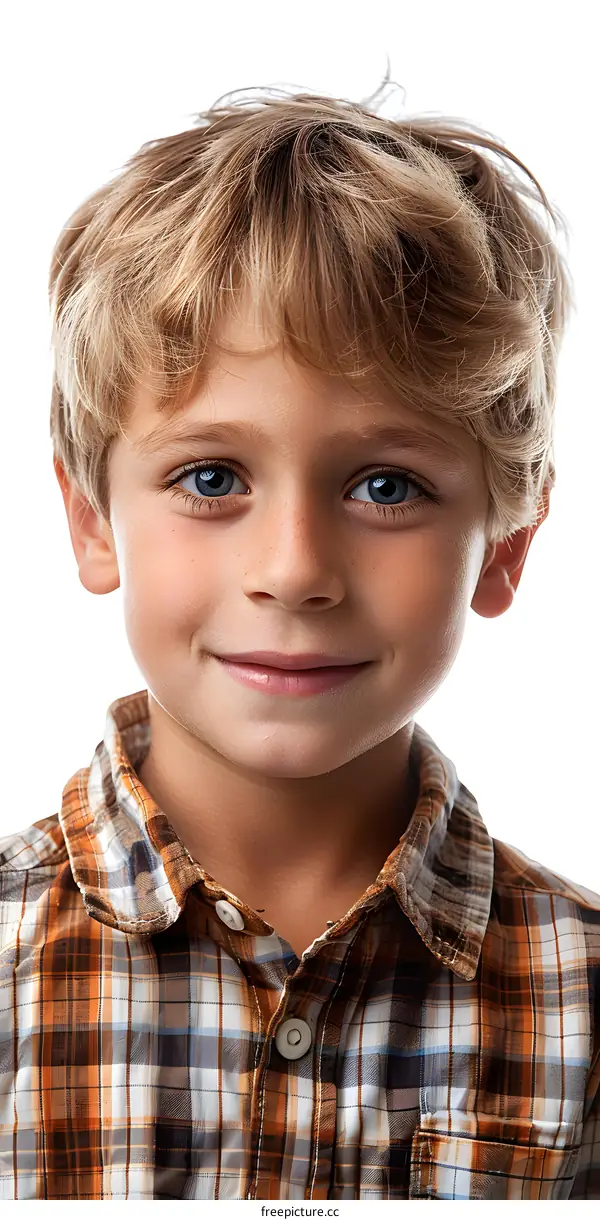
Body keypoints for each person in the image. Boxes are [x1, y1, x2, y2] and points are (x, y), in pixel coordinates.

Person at [0, 78, 598, 1201]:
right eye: (211, 477)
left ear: (506, 543)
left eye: (386, 484)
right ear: (91, 518)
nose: (293, 570)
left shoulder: (584, 996)